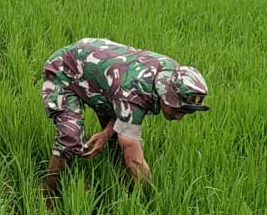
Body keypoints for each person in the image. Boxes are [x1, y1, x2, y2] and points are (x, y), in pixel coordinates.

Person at [40, 38, 209, 194]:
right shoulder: (136, 91)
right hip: (64, 70)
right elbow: (134, 157)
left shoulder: (172, 74)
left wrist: (106, 133)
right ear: (166, 95)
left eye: (186, 112)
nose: (179, 118)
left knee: (116, 142)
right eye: (178, 110)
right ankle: (47, 193)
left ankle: (117, 187)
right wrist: (152, 198)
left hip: (104, 80)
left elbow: (125, 106)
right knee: (70, 139)